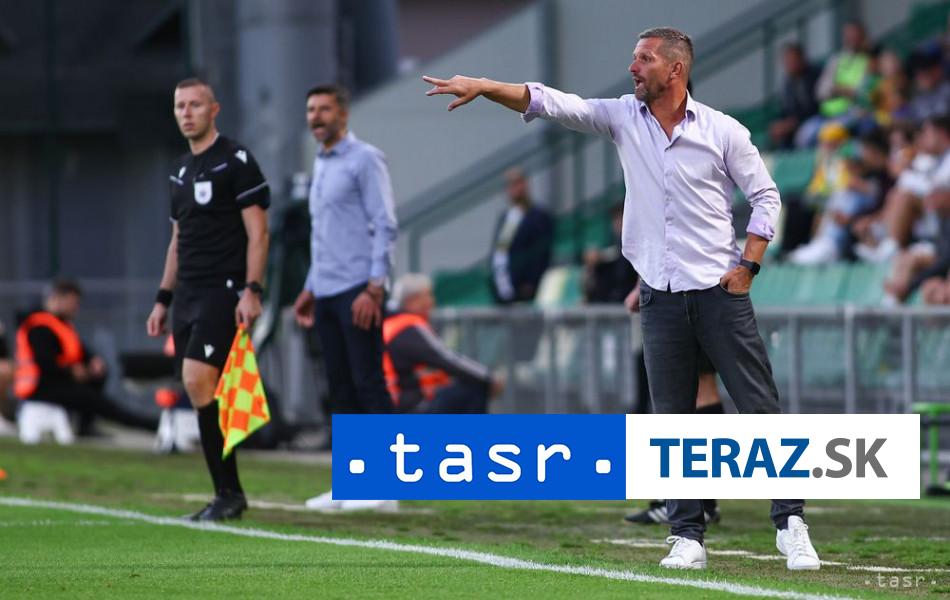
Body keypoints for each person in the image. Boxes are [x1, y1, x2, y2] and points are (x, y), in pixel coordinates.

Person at [423, 26, 819, 571]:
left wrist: (748, 265)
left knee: (760, 408)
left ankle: (791, 524)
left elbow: (766, 195)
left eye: (644, 58)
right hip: (659, 297)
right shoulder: (621, 117)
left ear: (675, 69)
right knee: (670, 420)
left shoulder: (723, 130)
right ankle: (687, 535)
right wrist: (487, 85)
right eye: (634, 58)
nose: (633, 67)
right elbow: (552, 102)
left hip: (719, 293)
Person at [146, 77, 270, 522]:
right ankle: (226, 492)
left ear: (214, 109)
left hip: (225, 289)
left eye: (195, 105)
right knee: (201, 387)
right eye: (180, 106)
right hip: (188, 294)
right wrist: (163, 298)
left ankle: (230, 492)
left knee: (198, 379)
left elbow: (259, 233)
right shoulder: (179, 170)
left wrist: (252, 290)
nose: (187, 113)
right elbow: (176, 241)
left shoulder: (236, 160)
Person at [292, 84, 397, 509]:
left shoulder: (365, 159)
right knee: (339, 388)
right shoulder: (320, 164)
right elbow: (326, 236)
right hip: (327, 291)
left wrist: (374, 287)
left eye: (324, 109)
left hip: (358, 289)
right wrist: (309, 287)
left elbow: (384, 224)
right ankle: (352, 482)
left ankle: (387, 485)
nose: (316, 117)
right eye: (310, 110)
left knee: (368, 382)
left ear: (343, 114)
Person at [622, 282, 722, 527]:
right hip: (681, 292)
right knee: (690, 390)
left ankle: (700, 502)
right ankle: (691, 501)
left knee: (699, 389)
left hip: (693, 292)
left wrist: (642, 284)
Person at [15, 279, 157, 432]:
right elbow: (45, 362)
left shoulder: (60, 324)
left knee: (98, 378)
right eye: (73, 303)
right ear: (59, 298)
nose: (76, 308)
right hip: (40, 386)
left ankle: (85, 425)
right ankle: (149, 425)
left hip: (60, 380)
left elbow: (80, 350)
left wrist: (92, 361)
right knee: (97, 403)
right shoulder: (39, 325)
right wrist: (71, 371)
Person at [384, 273, 503, 413]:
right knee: (474, 386)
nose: (432, 301)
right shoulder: (409, 327)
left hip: (393, 406)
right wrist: (488, 377)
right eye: (428, 295)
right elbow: (447, 359)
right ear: (412, 301)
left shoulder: (390, 324)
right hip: (409, 409)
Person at [489, 168, 553, 304]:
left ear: (525, 185)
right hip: (504, 287)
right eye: (510, 184)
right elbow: (500, 251)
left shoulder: (538, 216)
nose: (513, 188)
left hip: (525, 289)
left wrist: (531, 282)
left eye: (517, 183)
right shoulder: (506, 217)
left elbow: (541, 253)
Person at [768, 43, 821, 150]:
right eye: (787, 61)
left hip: (816, 119)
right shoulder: (788, 83)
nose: (789, 64)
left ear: (801, 59)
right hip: (795, 124)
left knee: (805, 135)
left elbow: (816, 107)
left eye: (792, 60)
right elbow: (785, 110)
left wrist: (793, 123)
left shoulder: (814, 76)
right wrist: (780, 124)